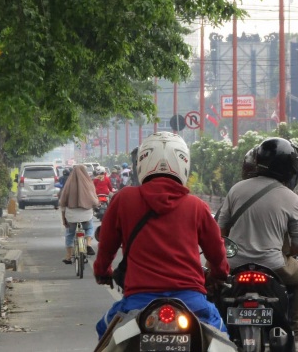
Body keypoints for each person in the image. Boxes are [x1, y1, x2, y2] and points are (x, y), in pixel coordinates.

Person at [93, 131, 229, 339]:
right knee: (222, 337)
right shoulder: (197, 207)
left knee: (104, 330)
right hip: (191, 301)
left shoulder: (123, 200)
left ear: (142, 162)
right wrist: (219, 275)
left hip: (138, 302)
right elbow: (217, 253)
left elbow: (107, 246)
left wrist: (103, 271)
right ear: (184, 164)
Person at [219, 137, 298, 352]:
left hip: (235, 264)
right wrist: (286, 253)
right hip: (273, 265)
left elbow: (221, 231)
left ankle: (214, 329)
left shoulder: (237, 189)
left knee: (214, 288)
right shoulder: (290, 198)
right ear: (291, 166)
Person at [59, 164, 98, 263]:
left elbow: (63, 202)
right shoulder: (89, 183)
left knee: (70, 234)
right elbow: (94, 200)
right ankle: (88, 244)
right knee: (89, 228)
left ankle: (68, 256)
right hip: (86, 214)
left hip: (71, 215)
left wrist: (63, 218)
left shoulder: (68, 184)